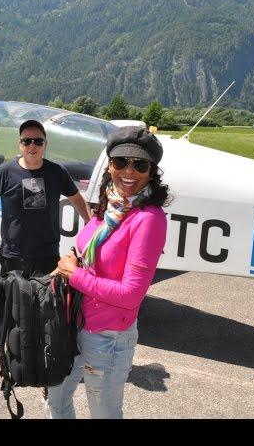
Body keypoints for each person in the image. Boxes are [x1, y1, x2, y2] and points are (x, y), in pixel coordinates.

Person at [47, 125, 170, 419]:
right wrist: (70, 263)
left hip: (108, 337)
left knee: (104, 414)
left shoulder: (148, 219)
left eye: (140, 165)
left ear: (151, 172)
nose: (129, 171)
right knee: (56, 401)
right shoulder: (110, 206)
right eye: (120, 162)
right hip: (73, 323)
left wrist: (74, 276)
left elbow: (130, 295)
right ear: (110, 166)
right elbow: (88, 253)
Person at [0, 119, 91, 276]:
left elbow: (77, 198)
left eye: (38, 141)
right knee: (14, 299)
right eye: (27, 141)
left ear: (45, 144)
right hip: (14, 256)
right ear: (20, 144)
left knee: (45, 300)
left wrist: (92, 226)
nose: (32, 145)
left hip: (48, 255)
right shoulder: (5, 171)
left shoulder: (57, 171)